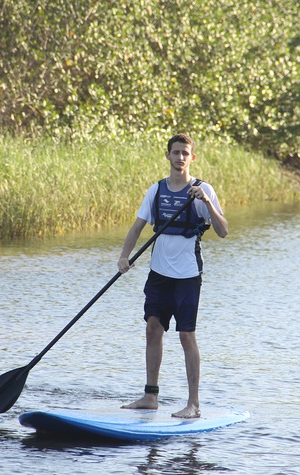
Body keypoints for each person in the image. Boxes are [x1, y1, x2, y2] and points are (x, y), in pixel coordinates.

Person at [117, 133, 228, 419]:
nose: (180, 157)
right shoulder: (156, 190)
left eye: (185, 153)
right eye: (175, 152)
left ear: (192, 158)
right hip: (159, 273)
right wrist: (124, 256)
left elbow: (223, 231)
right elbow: (137, 227)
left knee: (186, 335)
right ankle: (150, 397)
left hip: (188, 275)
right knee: (152, 328)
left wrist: (207, 201)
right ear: (168, 155)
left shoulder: (204, 190)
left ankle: (193, 404)